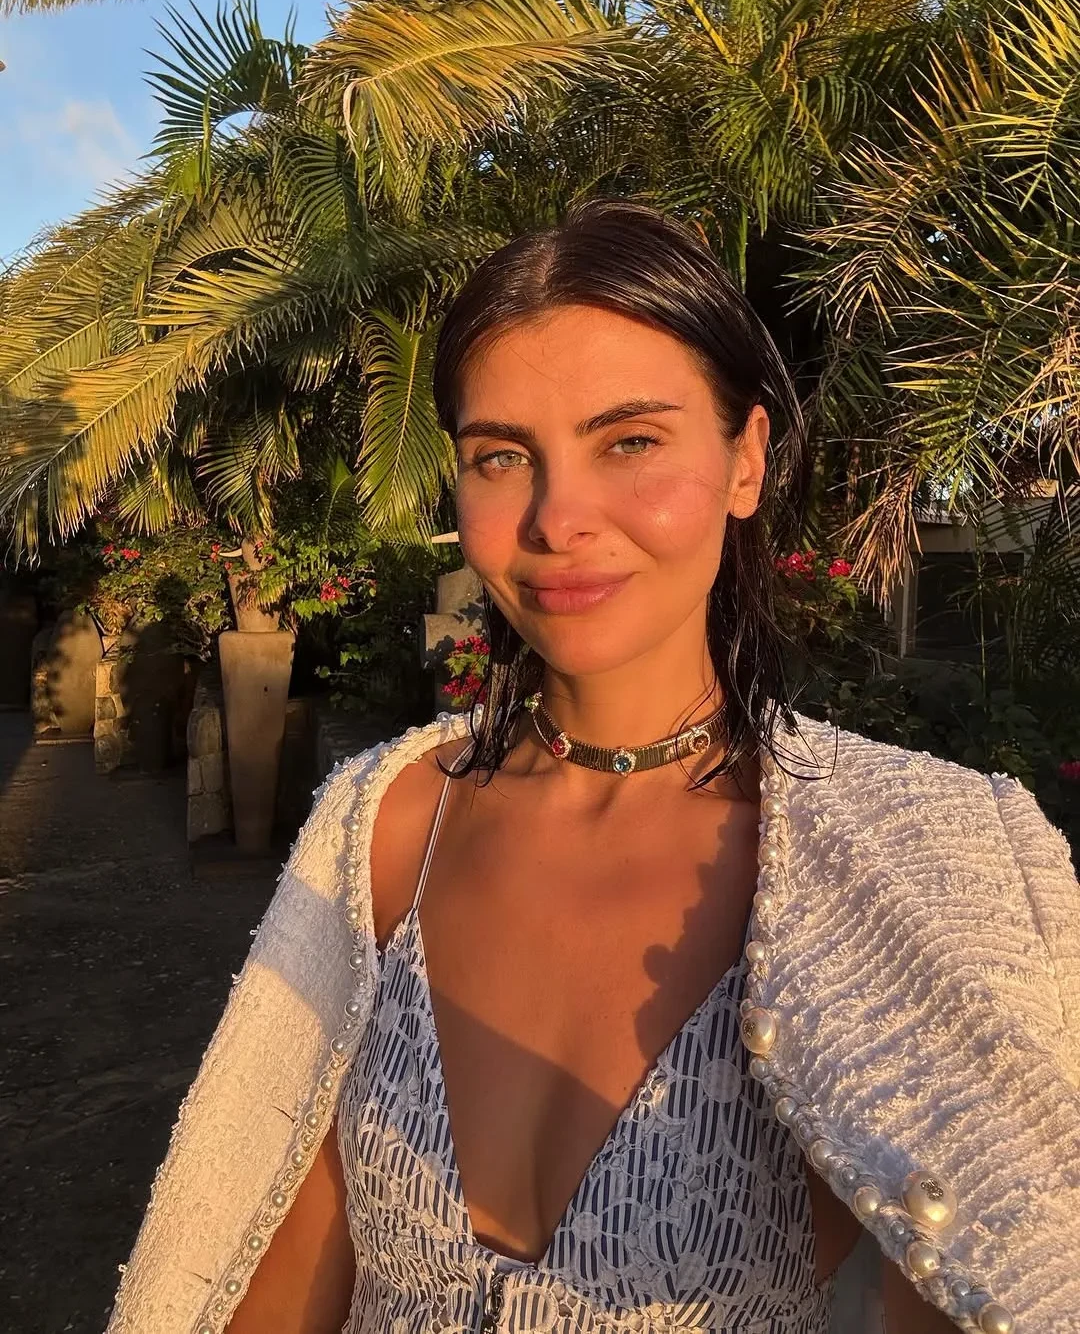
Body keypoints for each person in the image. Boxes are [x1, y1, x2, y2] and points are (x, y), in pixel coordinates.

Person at [107, 200, 1080, 1334]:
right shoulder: (386, 826)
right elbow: (276, 1278)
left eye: (630, 442)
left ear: (746, 460)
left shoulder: (916, 866)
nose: (557, 518)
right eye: (500, 456)